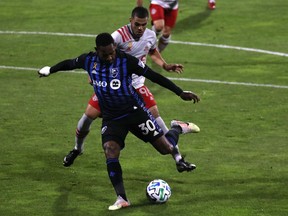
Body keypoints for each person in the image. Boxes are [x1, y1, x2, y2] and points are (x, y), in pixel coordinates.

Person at [38, 32, 200, 210]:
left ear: (115, 48)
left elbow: (154, 76)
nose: (109, 57)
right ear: (96, 51)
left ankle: (177, 128)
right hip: (112, 117)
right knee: (110, 149)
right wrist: (50, 69)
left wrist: (180, 92)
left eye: (111, 52)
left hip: (134, 112)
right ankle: (122, 198)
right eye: (105, 54)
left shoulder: (126, 61)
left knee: (166, 148)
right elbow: (69, 63)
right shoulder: (88, 60)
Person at [62, 6, 200, 167]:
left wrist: (165, 65)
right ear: (130, 21)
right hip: (115, 87)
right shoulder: (117, 37)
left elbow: (153, 52)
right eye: (137, 24)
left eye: (144, 24)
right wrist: (92, 75)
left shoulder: (150, 35)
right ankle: (77, 149)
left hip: (137, 85)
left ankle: (178, 158)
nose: (141, 28)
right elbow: (99, 56)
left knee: (157, 121)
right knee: (86, 118)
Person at [136, 0, 216, 51]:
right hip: (158, 3)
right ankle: (151, 41)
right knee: (159, 26)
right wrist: (139, 7)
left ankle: (157, 52)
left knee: (166, 33)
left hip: (173, 6)